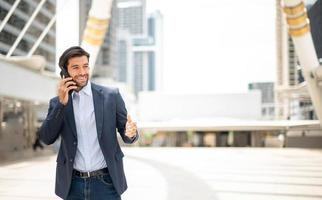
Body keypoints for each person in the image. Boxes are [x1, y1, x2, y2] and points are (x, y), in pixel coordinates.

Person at [39, 46, 138, 200]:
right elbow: (46, 138)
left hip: (106, 183)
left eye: (85, 66)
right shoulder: (57, 103)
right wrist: (61, 104)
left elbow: (127, 133)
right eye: (76, 67)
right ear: (65, 72)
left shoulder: (110, 96)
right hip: (72, 185)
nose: (82, 72)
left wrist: (131, 133)